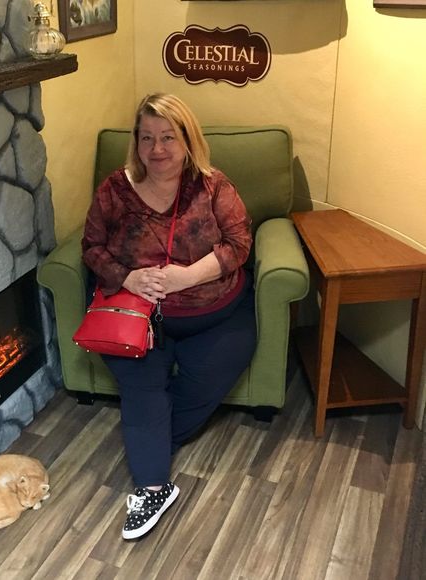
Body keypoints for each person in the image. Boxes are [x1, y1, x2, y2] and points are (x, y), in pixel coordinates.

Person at [81, 93, 256, 540]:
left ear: (187, 139)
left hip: (212, 312)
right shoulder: (114, 190)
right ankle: (154, 488)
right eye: (147, 138)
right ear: (136, 143)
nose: (157, 149)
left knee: (201, 382)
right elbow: (91, 248)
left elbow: (239, 243)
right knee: (142, 390)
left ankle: (149, 437)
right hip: (136, 317)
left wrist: (186, 277)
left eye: (167, 137)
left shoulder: (213, 185)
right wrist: (128, 277)